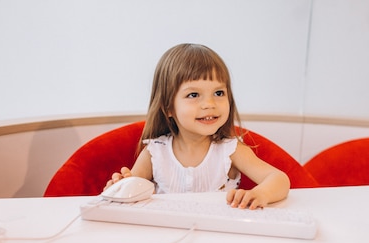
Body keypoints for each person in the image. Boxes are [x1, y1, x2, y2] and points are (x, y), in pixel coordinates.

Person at [106, 43, 290, 209]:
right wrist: (120, 188)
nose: (209, 103)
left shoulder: (230, 150)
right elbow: (130, 194)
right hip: (167, 237)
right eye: (194, 95)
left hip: (218, 235)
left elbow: (279, 179)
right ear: (168, 107)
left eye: (218, 93)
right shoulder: (155, 152)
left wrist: (260, 194)